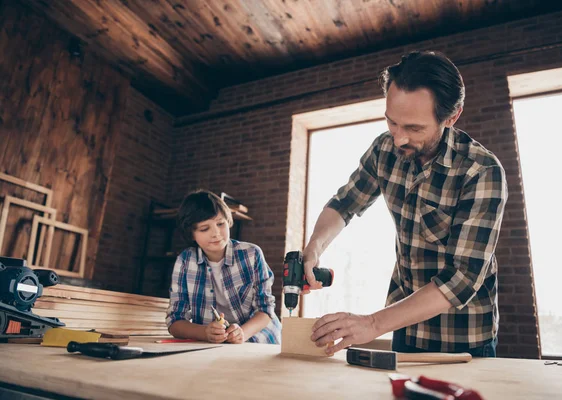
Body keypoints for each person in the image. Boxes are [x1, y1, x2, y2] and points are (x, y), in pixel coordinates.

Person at [304, 51, 508, 356]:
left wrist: (372, 324)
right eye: (392, 122)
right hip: (405, 331)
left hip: (463, 339)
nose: (398, 138)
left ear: (451, 117)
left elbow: (462, 278)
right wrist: (314, 248)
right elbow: (345, 203)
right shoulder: (383, 149)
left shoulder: (481, 172)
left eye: (414, 128)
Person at [166, 189, 281, 344]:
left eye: (220, 224)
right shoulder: (185, 261)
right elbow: (175, 321)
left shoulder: (251, 254)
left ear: (228, 221)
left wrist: (243, 333)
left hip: (258, 336)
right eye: (204, 228)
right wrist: (204, 332)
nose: (216, 233)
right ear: (191, 234)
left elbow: (266, 310)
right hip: (215, 342)